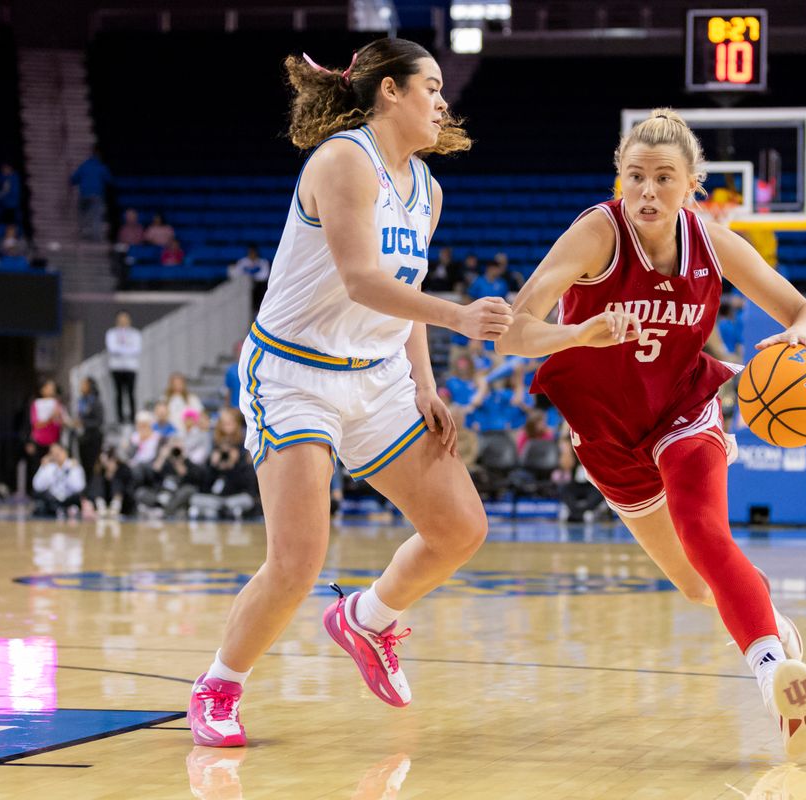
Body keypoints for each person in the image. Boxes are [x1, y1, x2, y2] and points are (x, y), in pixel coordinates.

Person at [188, 39, 514, 749]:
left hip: (379, 374)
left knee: (461, 527)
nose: (441, 101)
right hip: (294, 373)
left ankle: (367, 618)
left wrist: (426, 384)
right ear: (390, 91)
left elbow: (406, 295)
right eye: (430, 87)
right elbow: (365, 279)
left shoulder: (426, 188)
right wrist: (461, 318)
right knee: (300, 558)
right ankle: (219, 685)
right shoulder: (343, 161)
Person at [494, 109, 806, 758]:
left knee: (705, 533)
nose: (647, 191)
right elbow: (513, 329)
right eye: (635, 176)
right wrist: (576, 334)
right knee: (698, 584)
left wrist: (804, 337)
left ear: (692, 185)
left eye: (664, 178)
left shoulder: (712, 242)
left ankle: (772, 680)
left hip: (683, 411)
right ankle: (769, 622)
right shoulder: (596, 233)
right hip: (607, 437)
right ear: (619, 179)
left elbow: (801, 310)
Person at [31, 442, 87, 518]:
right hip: (52, 500)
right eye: (53, 452)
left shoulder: (73, 465)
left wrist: (69, 470)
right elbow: (37, 486)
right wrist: (43, 467)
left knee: (78, 498)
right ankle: (57, 509)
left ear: (65, 452)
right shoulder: (48, 467)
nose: (56, 455)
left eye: (58, 452)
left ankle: (68, 509)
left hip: (69, 499)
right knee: (41, 500)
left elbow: (79, 487)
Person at [106, 311, 141, 425]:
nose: (123, 321)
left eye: (125, 318)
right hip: (116, 367)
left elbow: (136, 349)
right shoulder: (111, 333)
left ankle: (132, 418)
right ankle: (120, 418)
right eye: (121, 319)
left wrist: (121, 349)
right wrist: (127, 349)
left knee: (131, 393)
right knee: (119, 393)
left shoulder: (135, 334)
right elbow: (112, 349)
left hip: (131, 368)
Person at [71, 147, 112, 242]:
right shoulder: (101, 167)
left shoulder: (84, 166)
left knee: (82, 215)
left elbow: (73, 179)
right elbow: (109, 180)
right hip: (96, 196)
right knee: (96, 216)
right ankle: (95, 237)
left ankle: (81, 233)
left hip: (84, 195)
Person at [74, 376, 104, 479]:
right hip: (83, 438)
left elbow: (99, 422)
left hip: (93, 438)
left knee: (93, 466)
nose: (81, 387)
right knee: (84, 465)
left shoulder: (95, 402)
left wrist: (84, 423)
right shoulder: (81, 401)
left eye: (84, 384)